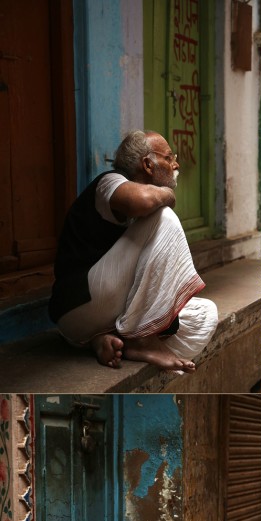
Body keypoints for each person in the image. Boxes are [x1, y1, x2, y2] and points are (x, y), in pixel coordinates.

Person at [49, 130, 218, 370]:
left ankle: (107, 341)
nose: (176, 164)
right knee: (165, 217)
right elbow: (142, 201)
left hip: (94, 318)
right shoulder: (110, 181)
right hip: (78, 304)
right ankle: (141, 339)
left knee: (205, 315)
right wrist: (168, 194)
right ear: (148, 165)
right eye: (169, 158)